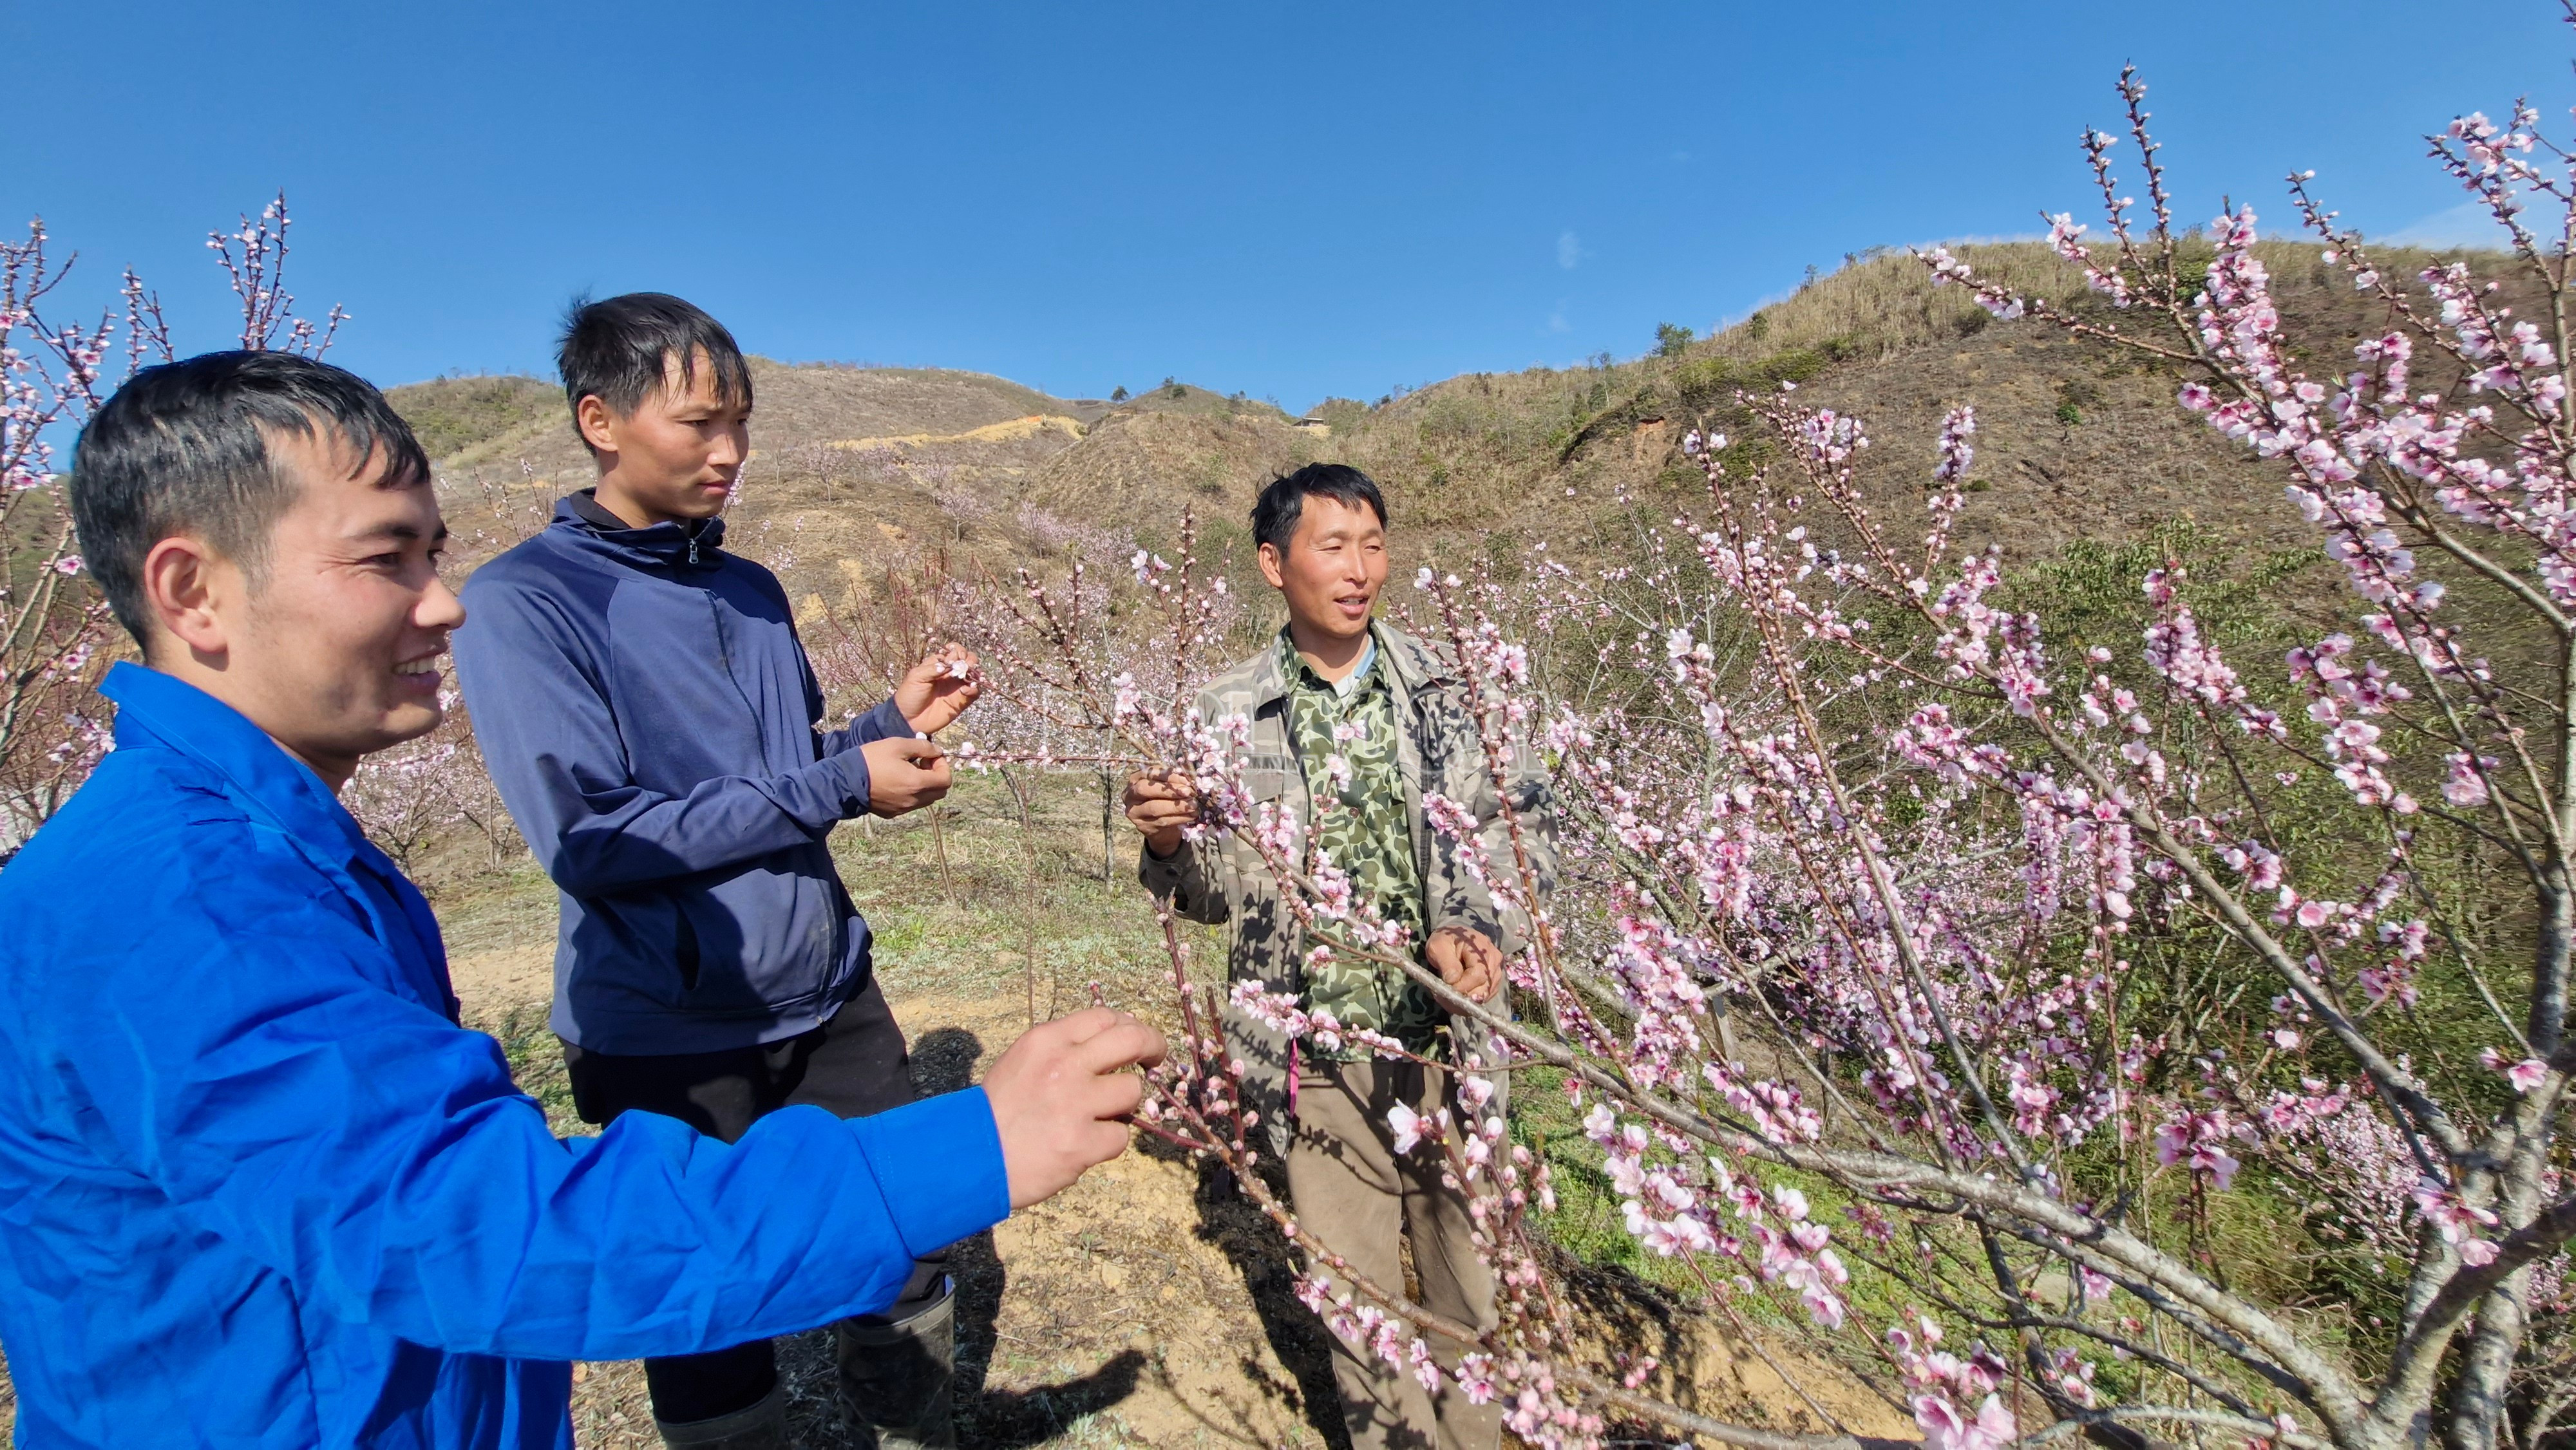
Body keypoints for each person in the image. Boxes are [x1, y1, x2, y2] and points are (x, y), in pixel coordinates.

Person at [0, 349, 1163, 1450]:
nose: (442, 604)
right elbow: (483, 1229)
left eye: (433, 554)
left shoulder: (269, 846)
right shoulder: (185, 905)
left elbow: (773, 767)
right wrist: (969, 1145)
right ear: (193, 591)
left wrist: (869, 742)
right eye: (384, 558)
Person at [448, 293, 981, 1449]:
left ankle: (910, 1424)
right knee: (701, 1303)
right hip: (665, 1026)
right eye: (699, 423)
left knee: (907, 1236)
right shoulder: (522, 604)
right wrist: (840, 785)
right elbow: (594, 839)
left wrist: (886, 725)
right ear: (599, 419)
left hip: (825, 991)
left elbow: (780, 774)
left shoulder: (750, 590)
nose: (729, 451)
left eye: (740, 421)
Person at [1122, 464, 1556, 1450]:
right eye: (1333, 546)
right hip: (1313, 1049)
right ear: (1275, 564)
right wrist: (1166, 845)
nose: (1360, 570)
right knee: (1358, 1304)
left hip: (1445, 1040)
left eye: (1374, 545)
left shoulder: (1448, 691)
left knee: (1469, 1287)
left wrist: (1480, 935)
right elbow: (1212, 892)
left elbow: (1515, 829)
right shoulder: (1229, 706)